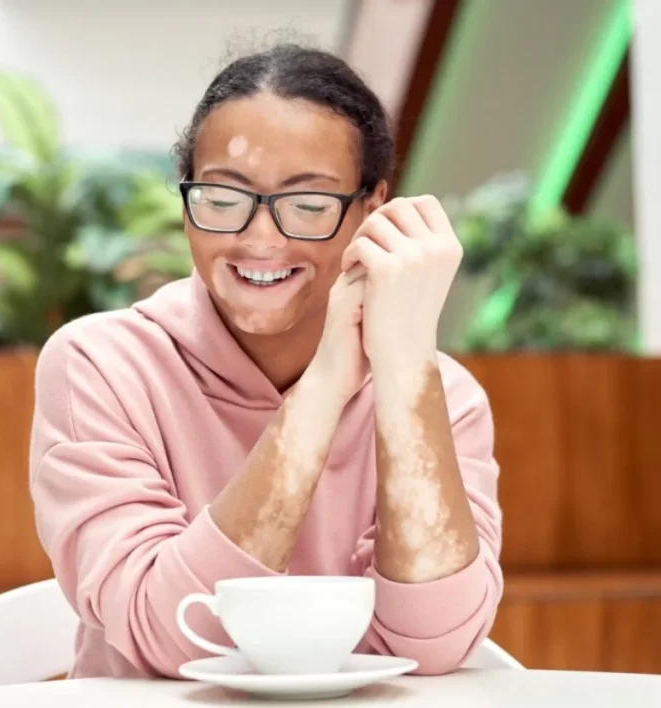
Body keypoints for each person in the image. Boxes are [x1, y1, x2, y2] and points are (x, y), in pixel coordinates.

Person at [28, 43, 503, 680]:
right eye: (223, 199)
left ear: (371, 207)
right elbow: (173, 639)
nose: (260, 240)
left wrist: (404, 366)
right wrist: (326, 384)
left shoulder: (440, 392)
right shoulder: (101, 366)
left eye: (308, 206)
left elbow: (434, 645)